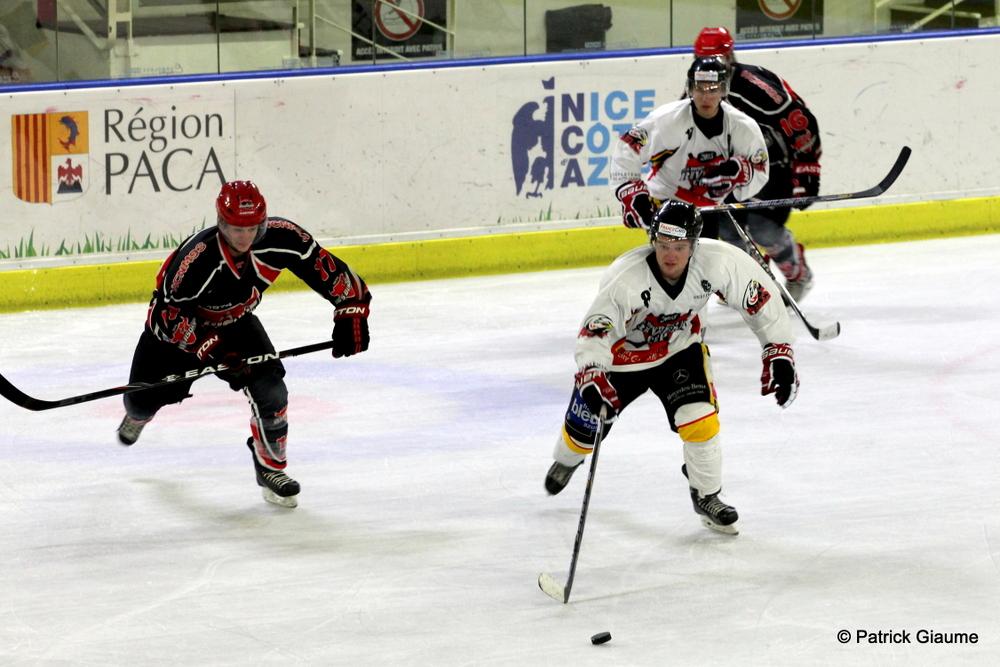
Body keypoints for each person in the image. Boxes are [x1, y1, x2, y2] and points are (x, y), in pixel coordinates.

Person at [544, 200, 799, 535]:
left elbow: (760, 297)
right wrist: (592, 374)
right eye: (664, 245)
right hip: (621, 361)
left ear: (694, 245)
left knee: (700, 420)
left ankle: (707, 495)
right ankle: (567, 460)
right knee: (583, 431)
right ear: (653, 241)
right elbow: (597, 327)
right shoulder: (625, 278)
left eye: (679, 247)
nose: (670, 255)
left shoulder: (718, 263)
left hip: (680, 350)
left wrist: (778, 350)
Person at [117, 180, 372, 508]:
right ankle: (137, 416)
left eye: (252, 227)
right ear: (221, 223)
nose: (244, 237)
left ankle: (270, 468)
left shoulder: (284, 238)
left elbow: (326, 269)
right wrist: (214, 350)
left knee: (272, 391)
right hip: (176, 338)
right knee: (141, 402)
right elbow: (165, 318)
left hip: (236, 324)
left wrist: (351, 311)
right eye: (236, 228)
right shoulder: (197, 258)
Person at [693, 26, 822, 301]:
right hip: (732, 170)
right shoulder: (698, 88)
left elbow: (800, 121)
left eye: (718, 59)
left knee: (764, 230)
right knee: (728, 231)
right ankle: (754, 282)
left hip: (773, 165)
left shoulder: (756, 88)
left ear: (729, 56)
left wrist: (807, 171)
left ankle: (798, 272)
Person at [609, 55, 770, 242]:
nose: (705, 96)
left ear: (723, 90)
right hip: (667, 204)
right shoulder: (667, 120)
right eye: (699, 88)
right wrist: (630, 192)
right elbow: (628, 147)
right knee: (674, 262)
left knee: (702, 265)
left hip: (707, 208)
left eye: (712, 89)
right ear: (690, 88)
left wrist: (741, 175)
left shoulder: (742, 127)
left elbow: (760, 169)